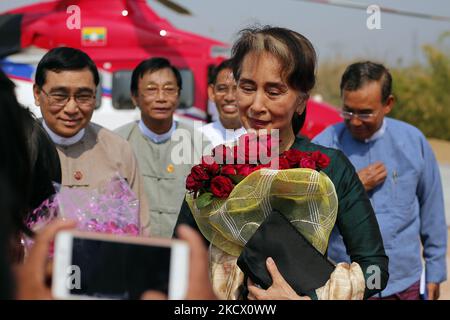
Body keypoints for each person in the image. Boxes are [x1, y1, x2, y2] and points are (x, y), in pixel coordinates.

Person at [174, 26, 389, 300]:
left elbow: (377, 271)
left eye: (274, 92)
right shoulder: (212, 172)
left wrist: (310, 298)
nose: (256, 105)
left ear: (301, 101)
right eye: (247, 87)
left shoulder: (330, 168)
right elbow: (177, 258)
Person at [313, 61, 447, 300]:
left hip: (403, 282)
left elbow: (432, 209)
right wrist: (353, 186)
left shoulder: (413, 142)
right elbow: (309, 214)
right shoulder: (324, 146)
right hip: (343, 283)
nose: (354, 121)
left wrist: (435, 270)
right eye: (348, 111)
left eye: (365, 113)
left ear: (388, 104)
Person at [32, 47, 148, 233]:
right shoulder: (18, 148)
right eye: (60, 96)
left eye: (83, 96)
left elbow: (140, 228)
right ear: (37, 94)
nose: (71, 108)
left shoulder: (118, 150)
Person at [116, 57, 209, 238]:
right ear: (135, 96)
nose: (161, 97)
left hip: (183, 250)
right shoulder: (118, 142)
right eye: (151, 89)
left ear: (178, 95)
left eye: (169, 89)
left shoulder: (198, 144)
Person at [198, 59, 246, 147]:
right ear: (212, 93)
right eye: (222, 89)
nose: (229, 97)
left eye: (237, 89)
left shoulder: (261, 139)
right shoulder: (197, 139)